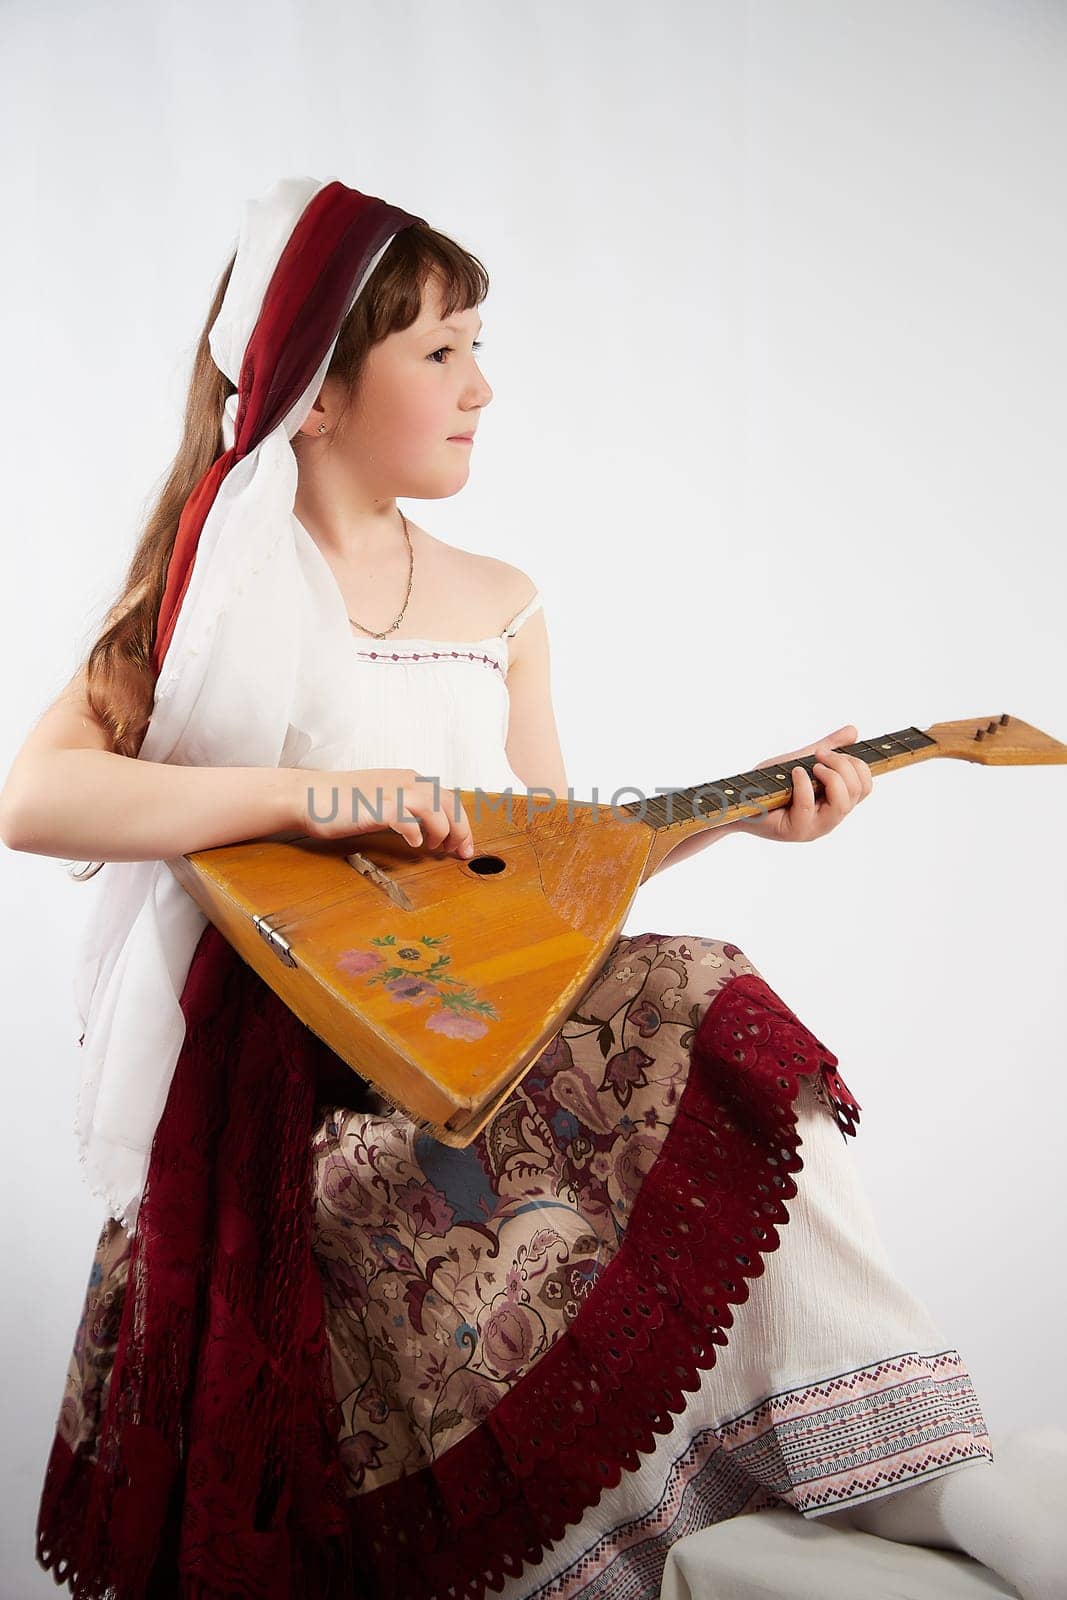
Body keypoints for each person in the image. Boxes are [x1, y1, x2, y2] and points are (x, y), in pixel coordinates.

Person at [1, 177, 1061, 1600]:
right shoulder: (196, 607)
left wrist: (746, 815)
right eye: (439, 352)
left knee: (703, 987)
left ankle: (932, 1472)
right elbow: (37, 799)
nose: (482, 388)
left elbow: (551, 876)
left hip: (472, 1053)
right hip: (292, 1117)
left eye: (479, 347)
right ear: (316, 391)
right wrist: (315, 799)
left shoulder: (501, 602)